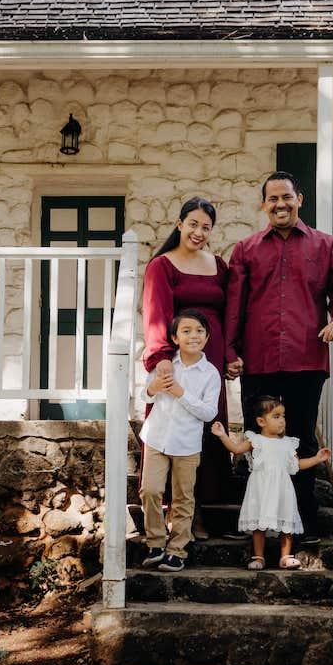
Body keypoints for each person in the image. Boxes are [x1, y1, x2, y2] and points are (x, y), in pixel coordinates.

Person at [224, 170, 333, 545]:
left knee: (300, 443)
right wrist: (230, 351)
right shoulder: (246, 249)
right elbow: (235, 306)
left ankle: (303, 526)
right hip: (259, 360)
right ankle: (256, 528)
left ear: (300, 199)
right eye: (272, 199)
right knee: (256, 444)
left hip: (305, 359)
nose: (280, 204)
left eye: (287, 197)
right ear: (263, 205)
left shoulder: (325, 245)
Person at [141, 196, 232, 539]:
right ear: (179, 224)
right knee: (174, 430)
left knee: (209, 428)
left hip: (212, 361)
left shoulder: (219, 265)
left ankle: (202, 513)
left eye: (206, 227)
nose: (198, 232)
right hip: (175, 363)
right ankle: (170, 516)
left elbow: (229, 312)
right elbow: (155, 314)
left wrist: (231, 353)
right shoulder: (162, 266)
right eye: (192, 224)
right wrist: (161, 358)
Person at [138, 309, 222, 573]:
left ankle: (177, 550)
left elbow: (209, 413)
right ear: (175, 338)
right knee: (150, 490)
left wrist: (181, 393)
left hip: (187, 443)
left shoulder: (210, 374)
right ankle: (155, 543)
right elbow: (146, 395)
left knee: (184, 497)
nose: (193, 336)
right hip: (156, 437)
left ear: (207, 337)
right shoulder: (165, 365)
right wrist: (154, 388)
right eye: (186, 331)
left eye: (199, 331)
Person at [211, 397, 332, 570]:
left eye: (283, 416)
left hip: (282, 488)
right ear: (261, 421)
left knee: (286, 520)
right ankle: (259, 557)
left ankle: (285, 556)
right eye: (276, 416)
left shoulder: (288, 443)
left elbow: (297, 465)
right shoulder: (256, 440)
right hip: (261, 488)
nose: (282, 420)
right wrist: (223, 435)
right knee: (259, 523)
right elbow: (236, 449)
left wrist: (317, 458)